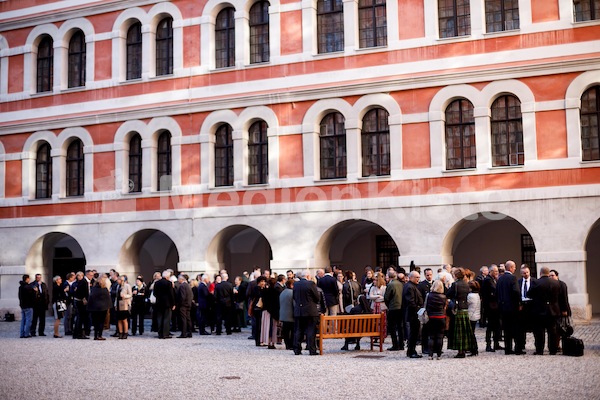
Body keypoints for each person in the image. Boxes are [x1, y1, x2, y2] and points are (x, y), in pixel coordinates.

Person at [527, 266, 561, 355]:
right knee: (552, 331)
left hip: (539, 311)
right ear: (548, 273)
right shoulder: (556, 283)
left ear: (540, 273)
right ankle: (553, 350)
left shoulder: (536, 283)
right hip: (553, 310)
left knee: (539, 332)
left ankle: (539, 350)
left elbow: (529, 294)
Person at [447, 268, 477, 358]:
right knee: (465, 331)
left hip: (458, 309)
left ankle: (460, 352)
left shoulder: (454, 284)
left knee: (458, 332)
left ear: (456, 275)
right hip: (465, 309)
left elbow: (448, 294)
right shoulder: (467, 284)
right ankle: (465, 349)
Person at [497, 260, 523, 354]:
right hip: (512, 307)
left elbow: (497, 293)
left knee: (506, 329)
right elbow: (516, 292)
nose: (515, 268)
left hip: (503, 308)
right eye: (514, 267)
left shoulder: (500, 278)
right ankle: (518, 349)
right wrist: (519, 303)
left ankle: (508, 349)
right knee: (516, 329)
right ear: (511, 268)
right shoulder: (513, 278)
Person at [293, 270, 320, 355]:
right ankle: (312, 350)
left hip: (299, 311)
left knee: (298, 330)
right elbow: (317, 297)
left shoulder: (296, 284)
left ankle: (297, 349)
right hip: (310, 311)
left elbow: (294, 297)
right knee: (311, 330)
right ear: (308, 276)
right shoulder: (311, 284)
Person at [481, 265, 503, 352]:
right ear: (491, 272)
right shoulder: (488, 280)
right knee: (490, 326)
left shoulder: (493, 279)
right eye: (496, 271)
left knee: (496, 326)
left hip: (494, 306)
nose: (497, 273)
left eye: (497, 271)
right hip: (490, 307)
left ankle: (496, 343)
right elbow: (495, 289)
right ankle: (489, 345)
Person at [402, 271, 423, 358]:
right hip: (413, 313)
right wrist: (419, 310)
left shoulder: (412, 286)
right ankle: (411, 351)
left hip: (414, 312)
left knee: (414, 333)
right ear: (411, 278)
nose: (418, 279)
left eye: (418, 277)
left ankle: (411, 350)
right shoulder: (409, 287)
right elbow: (411, 302)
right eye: (416, 277)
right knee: (413, 333)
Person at [517, 264, 537, 353]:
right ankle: (521, 344)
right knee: (521, 327)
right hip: (522, 306)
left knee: (535, 327)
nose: (526, 274)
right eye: (524, 273)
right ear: (521, 273)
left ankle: (537, 346)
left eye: (527, 272)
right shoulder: (518, 282)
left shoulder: (535, 281)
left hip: (532, 305)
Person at [425, 280, 447, 359]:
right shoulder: (443, 297)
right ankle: (438, 354)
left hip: (431, 317)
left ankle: (430, 354)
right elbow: (444, 307)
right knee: (440, 336)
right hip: (441, 317)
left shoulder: (429, 295)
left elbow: (426, 306)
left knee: (431, 336)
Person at [384, 270, 404, 351]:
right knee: (400, 327)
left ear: (389, 277)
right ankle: (401, 345)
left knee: (392, 327)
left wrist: (388, 305)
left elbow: (386, 297)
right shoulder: (401, 284)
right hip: (401, 308)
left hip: (393, 307)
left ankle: (395, 345)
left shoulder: (390, 285)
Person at [87, 276, 112, 340]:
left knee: (95, 322)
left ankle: (95, 335)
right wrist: (109, 306)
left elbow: (90, 298)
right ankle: (100, 335)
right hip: (103, 308)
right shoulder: (105, 289)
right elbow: (108, 299)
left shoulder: (93, 289)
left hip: (94, 308)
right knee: (101, 322)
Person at [154, 270, 176, 339]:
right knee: (167, 319)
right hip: (167, 303)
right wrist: (173, 304)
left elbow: (154, 293)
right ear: (167, 276)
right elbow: (171, 294)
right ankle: (165, 334)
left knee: (160, 318)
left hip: (159, 303)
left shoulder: (157, 283)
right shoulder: (169, 283)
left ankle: (160, 333)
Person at [73, 270, 93, 339]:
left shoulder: (85, 281)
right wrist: (84, 299)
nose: (92, 276)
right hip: (81, 302)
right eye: (90, 275)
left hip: (82, 301)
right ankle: (79, 334)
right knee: (80, 318)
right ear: (87, 274)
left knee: (81, 318)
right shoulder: (83, 281)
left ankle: (79, 333)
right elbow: (81, 292)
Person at [418, 268, 434, 354]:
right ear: (425, 275)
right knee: (425, 330)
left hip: (434, 310)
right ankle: (425, 348)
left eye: (430, 275)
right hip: (426, 309)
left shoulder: (435, 283)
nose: (429, 276)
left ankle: (434, 347)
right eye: (427, 275)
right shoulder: (421, 285)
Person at [250, 276, 267, 347]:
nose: (263, 283)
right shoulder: (256, 289)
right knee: (258, 325)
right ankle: (258, 341)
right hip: (257, 308)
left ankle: (261, 340)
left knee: (261, 325)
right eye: (261, 281)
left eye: (264, 281)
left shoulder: (263, 289)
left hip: (261, 308)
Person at [279, 279, 295, 350]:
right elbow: (294, 304)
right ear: (291, 285)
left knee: (285, 331)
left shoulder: (283, 292)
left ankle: (287, 345)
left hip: (283, 314)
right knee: (292, 331)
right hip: (291, 315)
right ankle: (291, 344)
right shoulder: (292, 293)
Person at [176, 274, 193, 338]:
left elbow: (182, 297)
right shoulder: (187, 285)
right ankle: (189, 332)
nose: (178, 280)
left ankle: (184, 333)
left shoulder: (182, 286)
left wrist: (180, 304)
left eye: (179, 279)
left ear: (182, 279)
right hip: (188, 304)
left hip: (183, 305)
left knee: (183, 319)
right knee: (188, 319)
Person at [467, 280, 481, 350]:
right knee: (472, 332)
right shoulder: (477, 295)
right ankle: (473, 348)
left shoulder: (470, 296)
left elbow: (466, 304)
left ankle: (473, 348)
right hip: (475, 315)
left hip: (471, 315)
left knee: (471, 333)